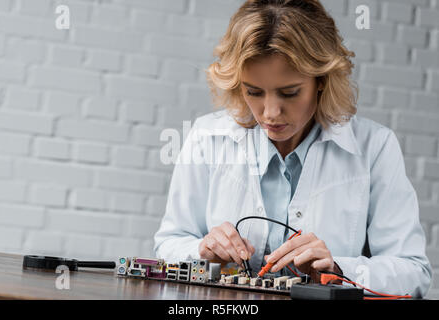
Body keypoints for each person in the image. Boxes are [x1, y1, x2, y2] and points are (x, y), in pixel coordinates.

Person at [154, 0, 432, 297]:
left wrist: (339, 270)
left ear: (322, 80)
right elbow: (168, 246)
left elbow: (413, 272)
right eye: (254, 92)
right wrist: (200, 250)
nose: (270, 112)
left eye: (289, 92)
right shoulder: (206, 137)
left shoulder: (375, 147)